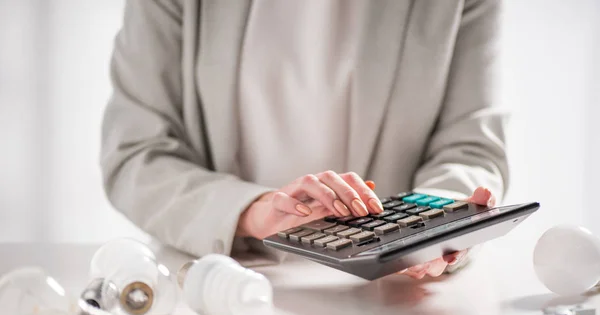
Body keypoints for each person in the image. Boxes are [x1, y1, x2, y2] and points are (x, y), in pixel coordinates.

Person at [101, 0, 507, 279]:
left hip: (389, 293)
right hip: (212, 280)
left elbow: (468, 143)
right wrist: (253, 211)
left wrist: (436, 226)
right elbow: (137, 153)